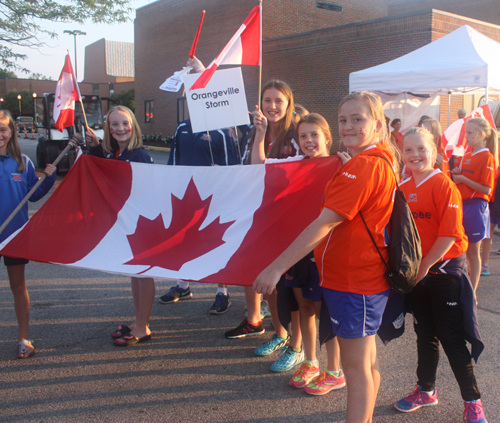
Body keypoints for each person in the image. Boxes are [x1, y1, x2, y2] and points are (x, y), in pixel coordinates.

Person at [253, 91, 397, 423]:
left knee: (355, 369)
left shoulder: (363, 166)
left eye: (357, 119)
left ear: (377, 123)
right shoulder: (376, 158)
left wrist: (276, 268)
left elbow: (324, 223)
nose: (348, 126)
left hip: (355, 281)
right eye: (344, 119)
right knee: (366, 365)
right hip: (360, 280)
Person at [394, 127, 488, 423]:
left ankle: (473, 402)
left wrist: (422, 267)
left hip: (444, 270)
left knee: (451, 336)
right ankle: (426, 390)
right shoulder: (402, 187)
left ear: (433, 150)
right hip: (419, 273)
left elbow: (448, 236)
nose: (415, 155)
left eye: (420, 149)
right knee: (424, 334)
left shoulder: (444, 185)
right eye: (408, 150)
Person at [225, 80, 305, 374]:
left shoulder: (297, 132)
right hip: (262, 213)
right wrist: (259, 134)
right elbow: (254, 167)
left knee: (291, 284)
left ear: (288, 104)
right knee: (269, 280)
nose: (272, 106)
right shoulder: (254, 130)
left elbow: (304, 168)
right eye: (267, 100)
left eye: (278, 101)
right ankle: (280, 333)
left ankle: (297, 345)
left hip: (290, 215)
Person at [158, 56, 243, 315]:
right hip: (186, 197)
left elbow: (234, 169)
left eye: (200, 91)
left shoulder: (223, 130)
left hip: (215, 198)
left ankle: (222, 292)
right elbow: (173, 164)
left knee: (217, 242)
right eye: (192, 92)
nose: (195, 95)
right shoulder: (181, 127)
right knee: (185, 240)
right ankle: (183, 285)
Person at [285, 113, 345, 395]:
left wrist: (346, 165)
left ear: (327, 137)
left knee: (325, 312)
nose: (309, 141)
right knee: (305, 308)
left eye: (314, 135)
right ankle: (310, 361)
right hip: (299, 248)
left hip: (326, 250)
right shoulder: (295, 168)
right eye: (303, 136)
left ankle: (334, 369)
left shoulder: (340, 166)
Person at [86, 105, 155, 346]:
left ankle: (143, 326)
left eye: (124, 123)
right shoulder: (115, 153)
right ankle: (139, 321)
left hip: (141, 224)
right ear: (108, 128)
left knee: (143, 275)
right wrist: (95, 147)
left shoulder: (139, 155)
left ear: (133, 125)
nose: (120, 128)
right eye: (114, 124)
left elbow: (148, 192)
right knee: (134, 275)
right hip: (125, 224)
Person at [0, 109, 57, 359]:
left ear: (11, 131)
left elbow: (32, 194)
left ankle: (24, 337)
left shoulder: (22, 162)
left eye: (2, 128)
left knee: (18, 286)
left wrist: (47, 179)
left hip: (14, 237)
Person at [451, 117, 497, 295]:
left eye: (470, 133)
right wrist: (458, 173)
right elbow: (464, 180)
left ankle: (472, 293)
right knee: (458, 249)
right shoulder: (467, 154)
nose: (466, 136)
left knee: (472, 252)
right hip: (461, 205)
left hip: (476, 207)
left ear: (481, 134)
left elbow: (486, 188)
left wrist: (463, 179)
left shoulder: (487, 156)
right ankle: (461, 288)